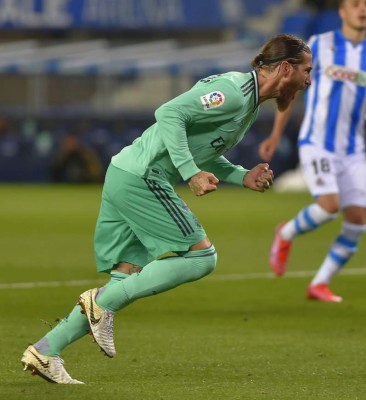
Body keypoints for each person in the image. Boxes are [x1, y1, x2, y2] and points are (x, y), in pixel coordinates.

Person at [21, 33, 312, 384]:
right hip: (144, 177)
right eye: (306, 71)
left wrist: (242, 176)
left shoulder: (249, 102)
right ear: (285, 68)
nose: (308, 80)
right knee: (201, 258)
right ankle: (100, 302)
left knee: (124, 278)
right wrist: (190, 174)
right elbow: (169, 113)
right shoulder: (234, 91)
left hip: (126, 172)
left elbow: (205, 148)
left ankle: (46, 350)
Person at [260, 0, 366, 303]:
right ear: (342, 12)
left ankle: (319, 284)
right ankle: (286, 233)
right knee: (330, 206)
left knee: (358, 220)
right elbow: (291, 87)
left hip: (354, 148)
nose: (362, 9)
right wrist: (276, 133)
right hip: (317, 141)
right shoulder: (320, 45)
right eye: (355, 4)